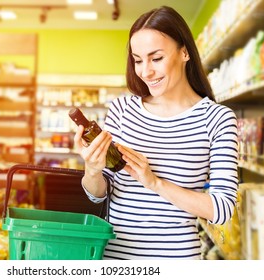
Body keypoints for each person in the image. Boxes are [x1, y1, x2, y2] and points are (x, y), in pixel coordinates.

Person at [73, 6, 239, 260]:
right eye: (138, 60)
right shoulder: (121, 109)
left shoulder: (217, 119)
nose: (145, 71)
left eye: (156, 58)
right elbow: (98, 195)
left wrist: (155, 183)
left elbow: (222, 208)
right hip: (115, 256)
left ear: (184, 52)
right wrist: (92, 170)